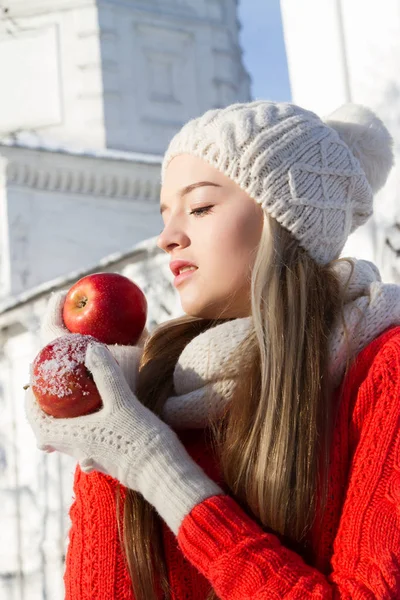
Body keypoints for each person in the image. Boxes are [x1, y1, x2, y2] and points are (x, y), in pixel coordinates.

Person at [25, 100, 400, 599]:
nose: (167, 238)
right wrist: (101, 424)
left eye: (200, 207)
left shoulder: (383, 368)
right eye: (166, 216)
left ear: (284, 222)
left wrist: (158, 469)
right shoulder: (163, 389)